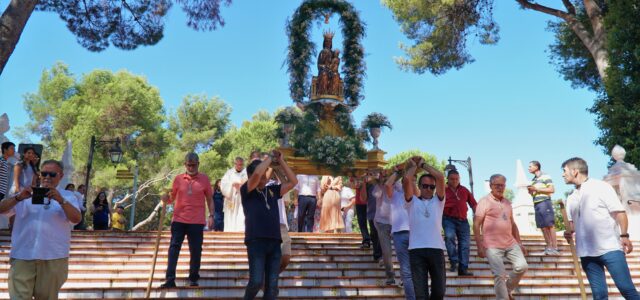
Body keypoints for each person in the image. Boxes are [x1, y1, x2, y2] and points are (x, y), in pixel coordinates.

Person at [0, 159, 81, 299]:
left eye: (52, 174)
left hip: (54, 257)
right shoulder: (25, 194)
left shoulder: (68, 196)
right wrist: (18, 198)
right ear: (39, 175)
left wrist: (61, 200)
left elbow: (76, 219)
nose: (47, 177)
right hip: (22, 256)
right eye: (44, 174)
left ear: (61, 176)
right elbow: (1, 209)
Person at [561, 157, 640, 299]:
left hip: (610, 248)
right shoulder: (571, 198)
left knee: (627, 290)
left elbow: (620, 213)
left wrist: (624, 236)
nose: (562, 174)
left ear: (575, 171)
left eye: (564, 171)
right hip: (587, 253)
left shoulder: (600, 187)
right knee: (599, 295)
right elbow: (573, 225)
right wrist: (569, 231)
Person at [241, 150, 297, 300]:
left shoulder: (272, 190)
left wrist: (281, 161)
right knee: (256, 282)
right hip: (256, 242)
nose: (264, 177)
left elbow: (293, 182)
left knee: (272, 289)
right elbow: (257, 175)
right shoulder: (247, 190)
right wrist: (269, 159)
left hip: (274, 242)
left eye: (266, 173)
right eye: (262, 173)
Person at [160, 152, 214, 288]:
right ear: (185, 165)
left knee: (196, 250)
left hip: (197, 221)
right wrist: (166, 199)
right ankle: (170, 279)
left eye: (193, 165)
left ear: (198, 164)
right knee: (173, 249)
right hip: (178, 219)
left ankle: (194, 278)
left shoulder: (204, 179)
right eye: (189, 165)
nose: (191, 167)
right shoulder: (178, 179)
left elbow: (209, 199)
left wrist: (212, 215)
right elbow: (172, 198)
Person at [474, 174, 528, 300]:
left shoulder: (508, 202)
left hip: (510, 242)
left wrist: (519, 242)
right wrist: (479, 246)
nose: (500, 187)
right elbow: (476, 225)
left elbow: (512, 223)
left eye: (502, 185)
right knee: (499, 275)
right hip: (492, 245)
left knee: (522, 266)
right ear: (490, 186)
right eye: (496, 185)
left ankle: (507, 288)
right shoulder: (484, 202)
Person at [402, 157, 447, 300]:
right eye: (425, 186)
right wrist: (414, 166)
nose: (428, 189)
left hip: (436, 249)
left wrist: (423, 164)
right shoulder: (412, 201)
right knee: (421, 294)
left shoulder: (438, 201)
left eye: (431, 187)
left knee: (439, 292)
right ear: (419, 187)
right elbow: (407, 179)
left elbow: (439, 176)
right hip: (416, 251)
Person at [385, 164, 415, 300]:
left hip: (415, 234)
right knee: (406, 271)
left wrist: (411, 171)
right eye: (404, 181)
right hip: (398, 234)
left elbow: (411, 182)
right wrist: (397, 172)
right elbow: (387, 185)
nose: (406, 183)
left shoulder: (417, 195)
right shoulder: (395, 195)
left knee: (416, 270)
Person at [443, 169, 477, 275]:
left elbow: (474, 204)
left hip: (463, 221)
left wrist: (478, 216)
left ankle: (463, 268)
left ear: (459, 179)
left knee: (465, 244)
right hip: (448, 219)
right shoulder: (443, 189)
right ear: (447, 179)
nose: (454, 181)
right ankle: (454, 261)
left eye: (456, 179)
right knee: (449, 237)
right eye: (452, 179)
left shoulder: (464, 190)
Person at [527, 160, 559, 255]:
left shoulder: (546, 176)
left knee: (550, 225)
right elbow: (534, 193)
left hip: (545, 202)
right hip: (536, 203)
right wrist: (530, 191)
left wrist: (536, 189)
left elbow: (552, 190)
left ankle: (555, 248)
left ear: (536, 167)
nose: (528, 168)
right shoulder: (533, 180)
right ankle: (549, 247)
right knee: (542, 227)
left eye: (530, 166)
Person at [373, 169, 395, 285]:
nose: (385, 176)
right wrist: (380, 183)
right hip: (382, 222)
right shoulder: (379, 186)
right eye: (383, 175)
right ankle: (390, 275)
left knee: (403, 252)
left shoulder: (398, 184)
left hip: (397, 223)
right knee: (386, 251)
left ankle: (404, 276)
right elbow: (376, 194)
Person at [221, 157, 247, 232]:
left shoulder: (246, 172)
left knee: (241, 215)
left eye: (241, 164)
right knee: (230, 216)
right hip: (231, 197)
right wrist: (232, 185)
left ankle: (241, 232)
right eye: (237, 164)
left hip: (242, 198)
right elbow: (223, 184)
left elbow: (249, 183)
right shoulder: (229, 173)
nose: (239, 166)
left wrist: (241, 184)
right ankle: (230, 231)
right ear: (235, 164)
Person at [361, 171, 383, 262]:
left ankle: (380, 255)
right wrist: (363, 183)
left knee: (381, 234)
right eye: (370, 173)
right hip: (372, 213)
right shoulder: (367, 184)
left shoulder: (382, 181)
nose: (372, 175)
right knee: (374, 234)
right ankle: (377, 255)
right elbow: (363, 198)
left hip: (383, 213)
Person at [354, 175, 371, 248]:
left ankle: (372, 239)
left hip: (370, 202)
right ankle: (366, 240)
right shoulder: (356, 175)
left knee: (372, 222)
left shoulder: (371, 176)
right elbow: (352, 184)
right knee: (362, 222)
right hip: (359, 202)